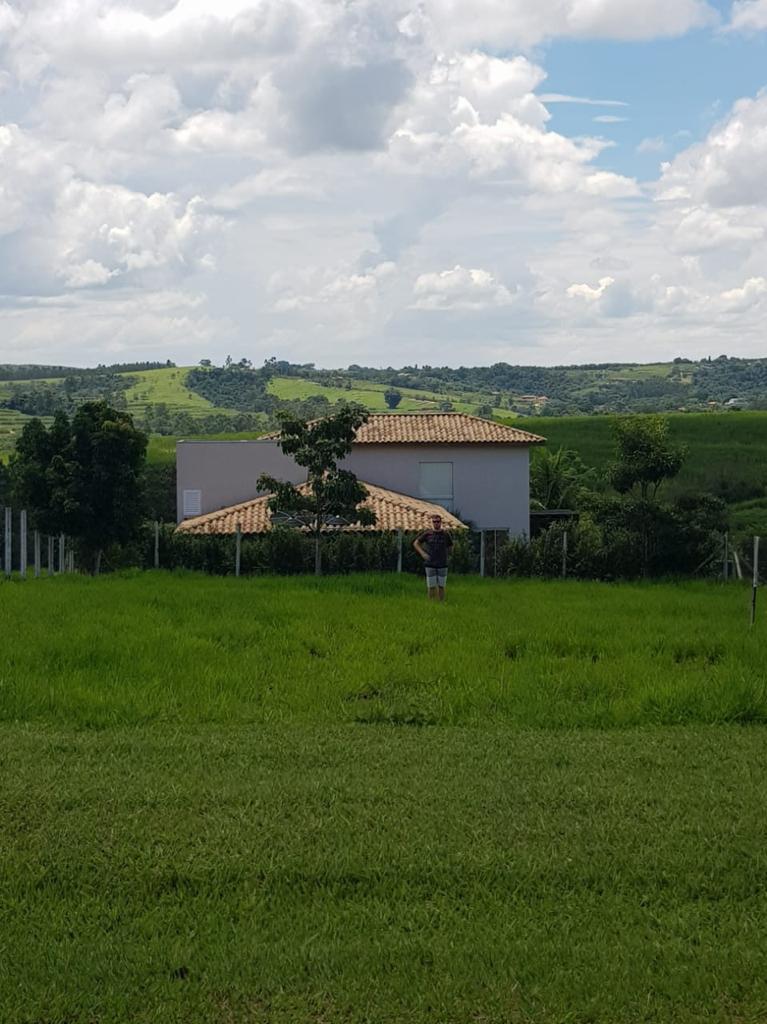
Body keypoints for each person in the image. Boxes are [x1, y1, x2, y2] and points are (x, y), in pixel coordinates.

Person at [413, 513, 453, 601]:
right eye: (434, 522)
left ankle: (441, 603)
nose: (436, 523)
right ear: (432, 522)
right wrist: (422, 553)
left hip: (442, 564)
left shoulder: (446, 534)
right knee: (431, 586)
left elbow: (450, 547)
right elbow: (416, 543)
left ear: (441, 522)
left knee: (441, 586)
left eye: (438, 521)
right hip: (430, 564)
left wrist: (448, 556)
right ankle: (431, 604)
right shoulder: (428, 534)